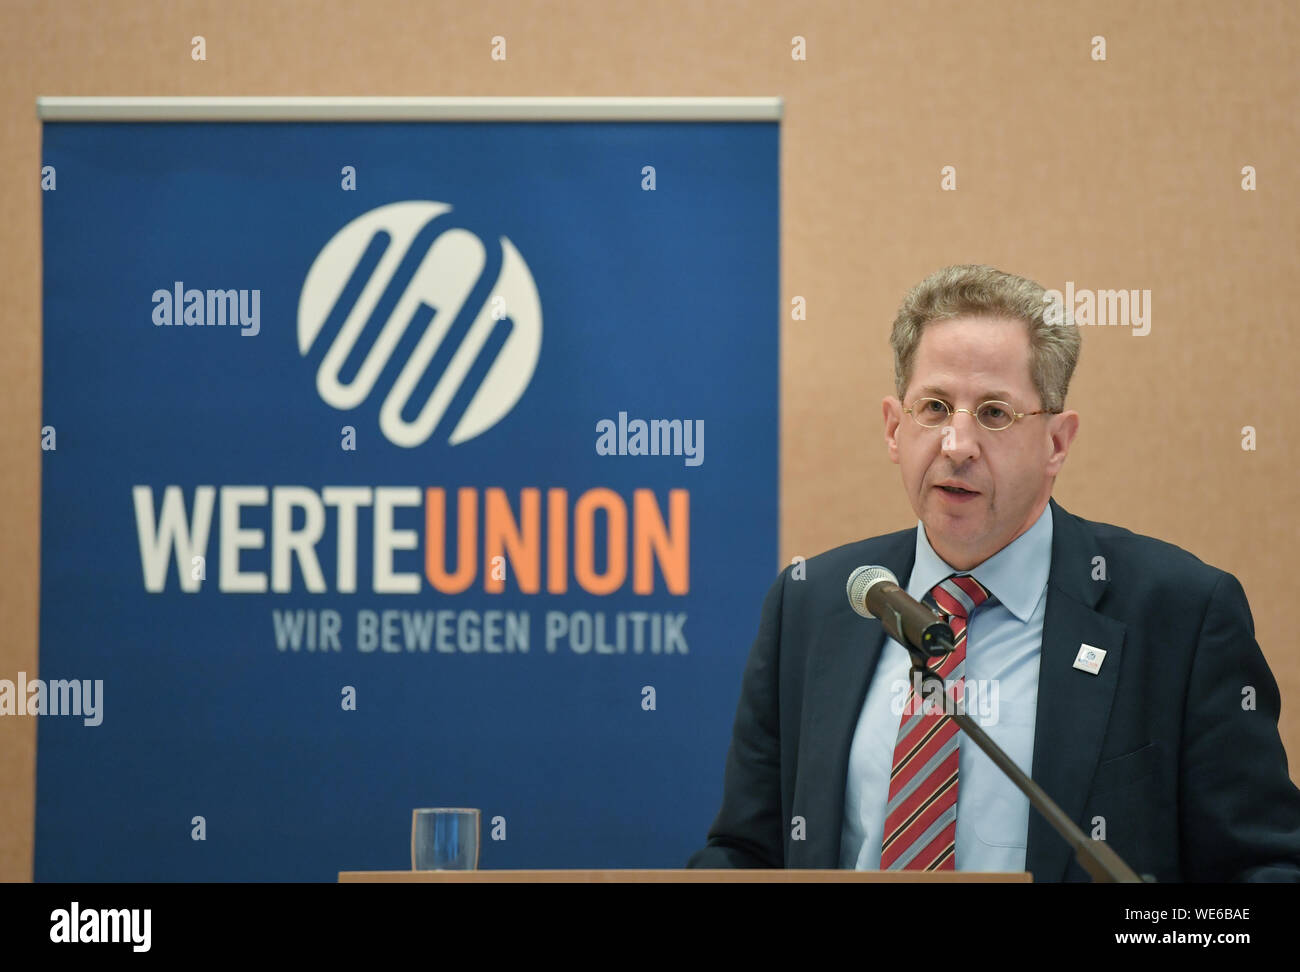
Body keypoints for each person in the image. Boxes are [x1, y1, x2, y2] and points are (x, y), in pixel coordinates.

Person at [687, 265, 1300, 881]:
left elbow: (1263, 870)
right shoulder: (813, 604)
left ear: (1057, 443)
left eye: (995, 413)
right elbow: (747, 853)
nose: (957, 443)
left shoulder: (1180, 615)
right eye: (933, 407)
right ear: (894, 428)